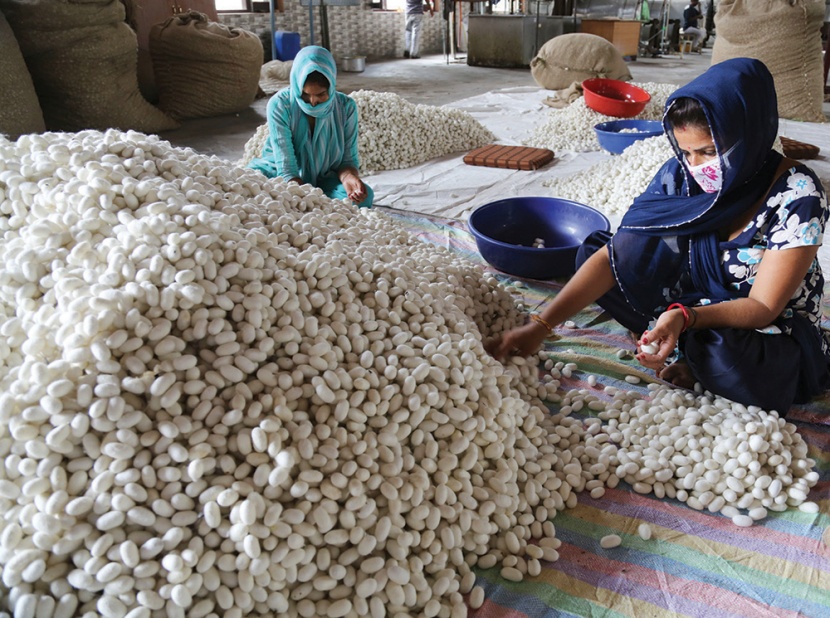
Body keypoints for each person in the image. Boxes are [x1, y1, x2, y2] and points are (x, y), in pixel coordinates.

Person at [487, 58, 830, 415]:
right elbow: (611, 258)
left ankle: (687, 349)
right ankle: (675, 337)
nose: (697, 166)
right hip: (694, 299)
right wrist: (540, 327)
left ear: (750, 133)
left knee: (731, 356)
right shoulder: (681, 175)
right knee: (602, 256)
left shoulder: (797, 193)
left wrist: (684, 316)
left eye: (710, 152)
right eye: (686, 152)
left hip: (763, 326)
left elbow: (763, 309)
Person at [249, 46, 373, 207]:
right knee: (251, 187)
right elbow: (287, 169)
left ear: (331, 86)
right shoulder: (281, 105)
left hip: (324, 175)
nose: (313, 102)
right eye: (305, 95)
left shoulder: (346, 107)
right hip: (281, 174)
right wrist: (306, 198)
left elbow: (348, 160)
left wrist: (348, 178)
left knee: (364, 197)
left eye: (321, 94)